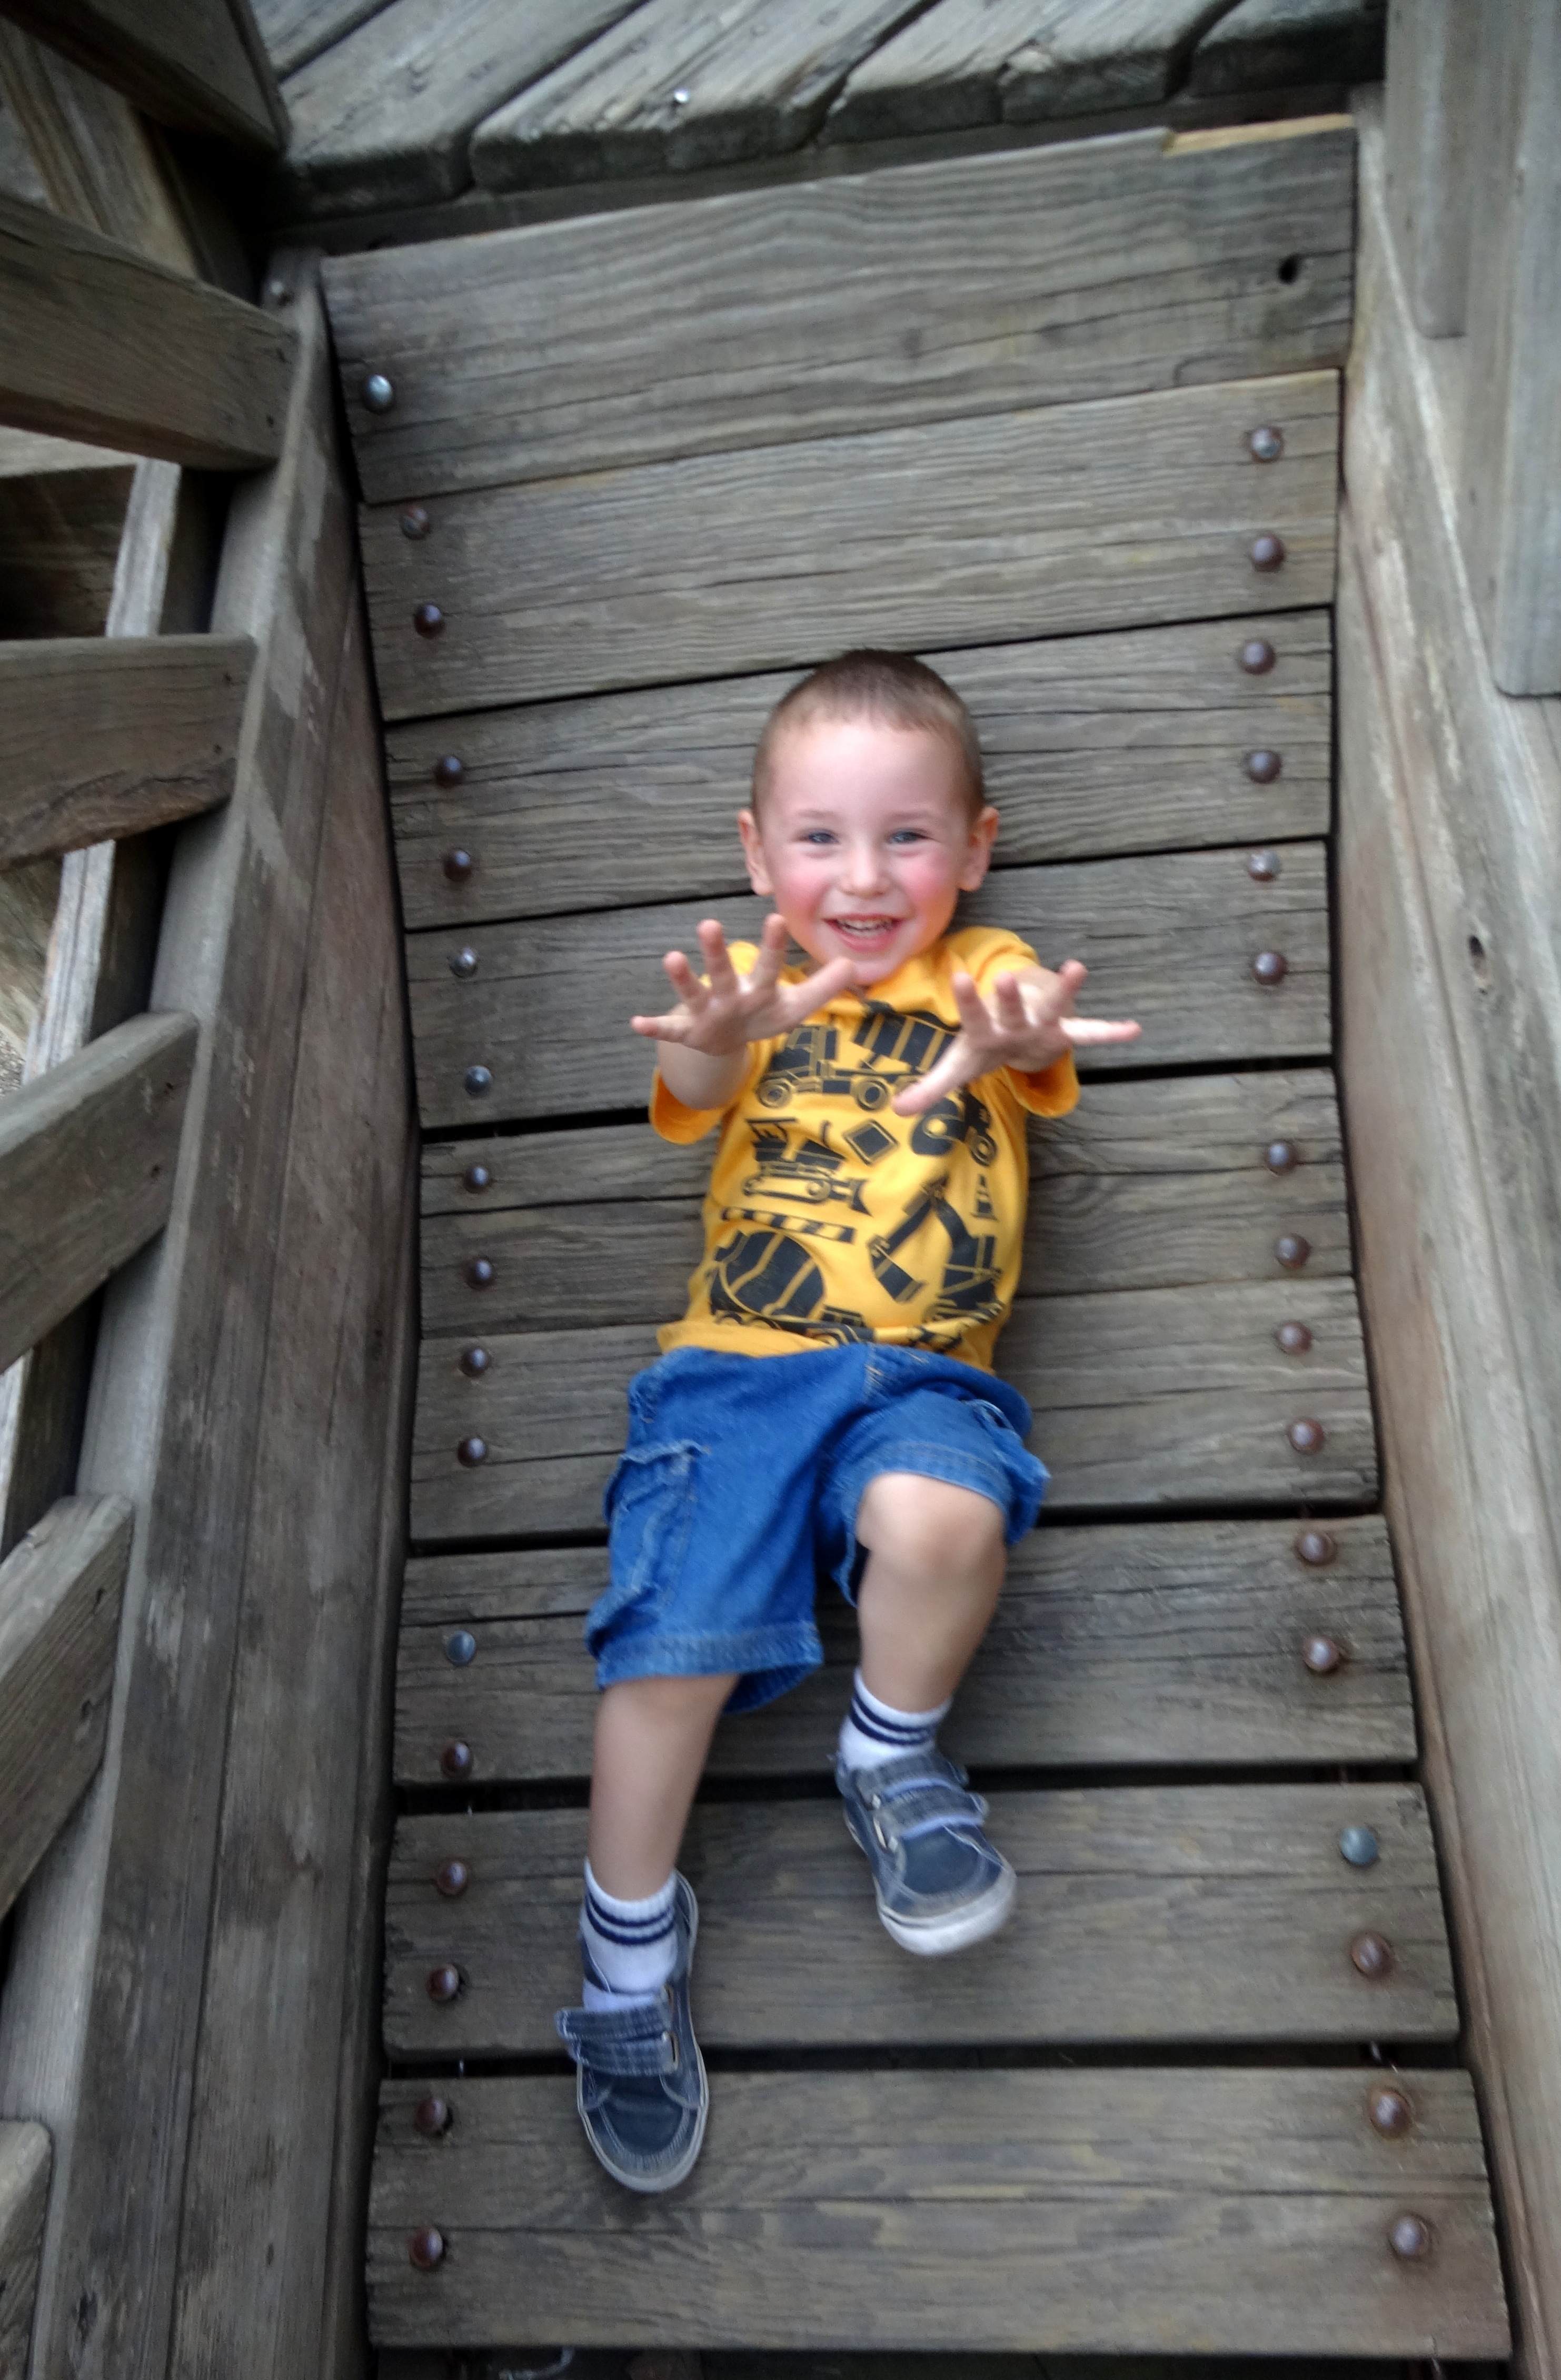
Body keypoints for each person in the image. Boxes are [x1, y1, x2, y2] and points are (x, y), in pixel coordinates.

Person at [555, 650, 1140, 2193]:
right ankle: (625, 1946)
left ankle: (890, 1754)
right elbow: (692, 1082)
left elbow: (1028, 1036)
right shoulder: (757, 986)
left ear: (976, 848)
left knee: (946, 1515)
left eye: (908, 837)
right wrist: (714, 1028)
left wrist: (1021, 1037)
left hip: (921, 1376)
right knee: (665, 1649)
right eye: (820, 838)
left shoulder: (980, 970)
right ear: (758, 855)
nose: (865, 878)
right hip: (733, 1379)